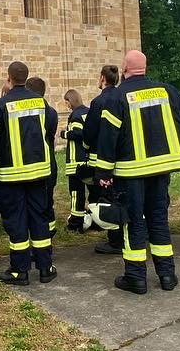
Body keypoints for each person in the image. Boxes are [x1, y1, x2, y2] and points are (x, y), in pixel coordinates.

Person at [94, 50, 180, 293]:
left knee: (133, 221)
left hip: (131, 172)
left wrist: (103, 173)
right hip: (162, 169)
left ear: (125, 68)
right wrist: (175, 127)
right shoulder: (167, 90)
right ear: (144, 67)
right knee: (159, 218)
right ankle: (167, 275)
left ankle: (136, 277)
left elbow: (108, 138)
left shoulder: (117, 97)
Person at [0, 61, 56, 285]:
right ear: (26, 77)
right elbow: (49, 129)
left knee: (16, 222)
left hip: (11, 175)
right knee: (39, 218)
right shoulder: (42, 103)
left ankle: (19, 271)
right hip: (39, 172)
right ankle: (46, 268)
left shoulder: (1, 104)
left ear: (9, 78)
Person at [84, 64, 124, 256]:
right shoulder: (122, 96)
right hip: (125, 157)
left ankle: (115, 241)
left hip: (103, 158)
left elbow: (89, 132)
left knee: (108, 199)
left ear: (102, 79)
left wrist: (85, 146)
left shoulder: (99, 102)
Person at [26, 76, 61, 237]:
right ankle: (49, 230)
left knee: (35, 204)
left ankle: (40, 236)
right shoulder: (52, 112)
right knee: (48, 201)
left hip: (36, 162)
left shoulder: (30, 113)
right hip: (50, 161)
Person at [62, 89, 90, 232]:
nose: (66, 105)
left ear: (70, 101)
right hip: (89, 159)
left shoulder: (76, 115)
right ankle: (95, 219)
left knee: (76, 193)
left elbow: (79, 133)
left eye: (66, 102)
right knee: (94, 192)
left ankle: (75, 223)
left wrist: (65, 133)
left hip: (75, 160)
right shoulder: (87, 111)